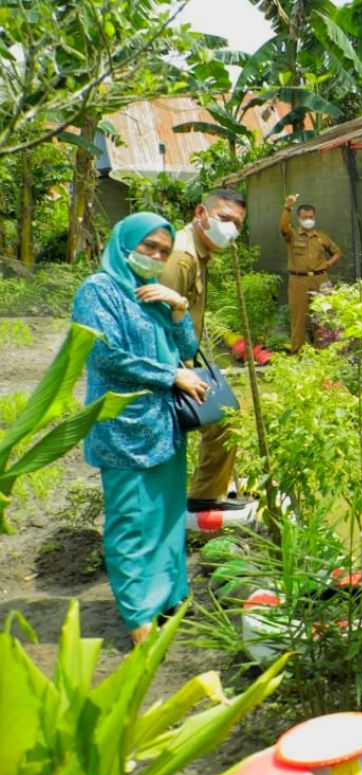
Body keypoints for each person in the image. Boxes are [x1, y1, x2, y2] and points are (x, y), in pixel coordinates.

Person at [71, 213, 207, 645]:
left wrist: (179, 308)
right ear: (125, 241)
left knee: (166, 518)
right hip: (123, 426)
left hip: (163, 425)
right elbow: (105, 355)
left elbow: (186, 349)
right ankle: (138, 617)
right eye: (148, 246)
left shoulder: (150, 292)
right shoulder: (99, 290)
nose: (155, 256)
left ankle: (168, 596)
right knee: (131, 521)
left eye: (164, 251)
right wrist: (171, 376)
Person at [159, 187, 248, 513]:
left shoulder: (197, 252)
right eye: (224, 218)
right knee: (223, 417)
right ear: (201, 213)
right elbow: (158, 319)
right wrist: (175, 372)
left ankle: (206, 494)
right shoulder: (182, 256)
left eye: (238, 224)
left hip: (181, 357)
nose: (231, 229)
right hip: (166, 365)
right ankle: (201, 497)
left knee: (226, 415)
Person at [281, 194, 342, 353]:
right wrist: (287, 208)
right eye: (305, 217)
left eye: (311, 217)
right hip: (298, 280)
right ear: (299, 218)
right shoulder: (293, 235)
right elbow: (283, 228)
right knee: (298, 318)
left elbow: (337, 252)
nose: (308, 219)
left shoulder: (322, 237)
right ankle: (297, 354)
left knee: (324, 316)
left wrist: (328, 263)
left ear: (315, 217)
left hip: (321, 279)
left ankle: (324, 353)